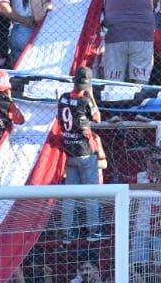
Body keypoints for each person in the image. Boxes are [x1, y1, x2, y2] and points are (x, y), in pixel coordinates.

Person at [57, 66, 106, 241]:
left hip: (70, 152)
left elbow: (59, 120)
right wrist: (90, 94)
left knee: (69, 196)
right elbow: (97, 118)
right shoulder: (85, 100)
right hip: (85, 151)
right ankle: (94, 230)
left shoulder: (63, 98)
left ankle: (67, 233)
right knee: (91, 194)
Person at [97, 0, 155, 83]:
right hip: (143, 32)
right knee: (141, 76)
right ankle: (139, 97)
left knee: (114, 77)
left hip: (116, 32)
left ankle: (114, 98)